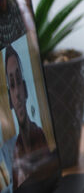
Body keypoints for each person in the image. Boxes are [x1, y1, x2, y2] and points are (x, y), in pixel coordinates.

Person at [4, 47, 47, 188]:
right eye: (12, 84)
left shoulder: (40, 135)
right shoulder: (14, 158)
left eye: (18, 80)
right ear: (10, 100)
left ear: (26, 89)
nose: (17, 93)